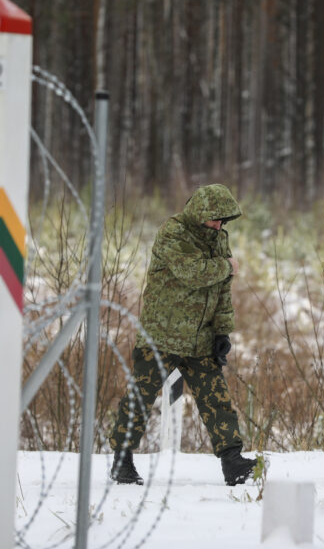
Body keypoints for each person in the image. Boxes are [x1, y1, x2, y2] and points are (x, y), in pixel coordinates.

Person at [108, 184, 257, 486]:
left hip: (200, 339)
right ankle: (122, 461)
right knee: (140, 397)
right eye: (215, 219)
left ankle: (233, 462)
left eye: (223, 221)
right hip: (161, 336)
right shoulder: (173, 232)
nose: (218, 226)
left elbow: (222, 291)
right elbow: (192, 272)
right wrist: (227, 266)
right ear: (200, 212)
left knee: (216, 399)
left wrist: (222, 331)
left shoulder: (218, 240)